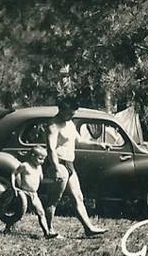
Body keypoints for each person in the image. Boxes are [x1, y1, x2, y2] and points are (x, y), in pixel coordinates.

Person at [45, 97, 107, 237]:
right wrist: (55, 168)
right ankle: (49, 230)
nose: (73, 115)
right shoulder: (53, 125)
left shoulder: (70, 124)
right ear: (62, 109)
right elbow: (51, 149)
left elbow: (79, 141)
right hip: (58, 164)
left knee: (78, 197)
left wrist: (98, 145)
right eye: (70, 112)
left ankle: (88, 228)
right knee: (54, 199)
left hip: (69, 164)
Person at [0, 146, 57, 238]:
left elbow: (42, 180)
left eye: (43, 159)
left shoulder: (39, 168)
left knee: (41, 212)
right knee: (18, 212)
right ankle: (8, 228)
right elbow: (14, 173)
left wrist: (53, 181)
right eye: (40, 158)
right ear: (32, 156)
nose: (42, 161)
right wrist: (14, 186)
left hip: (34, 194)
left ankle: (47, 233)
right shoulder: (25, 166)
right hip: (24, 193)